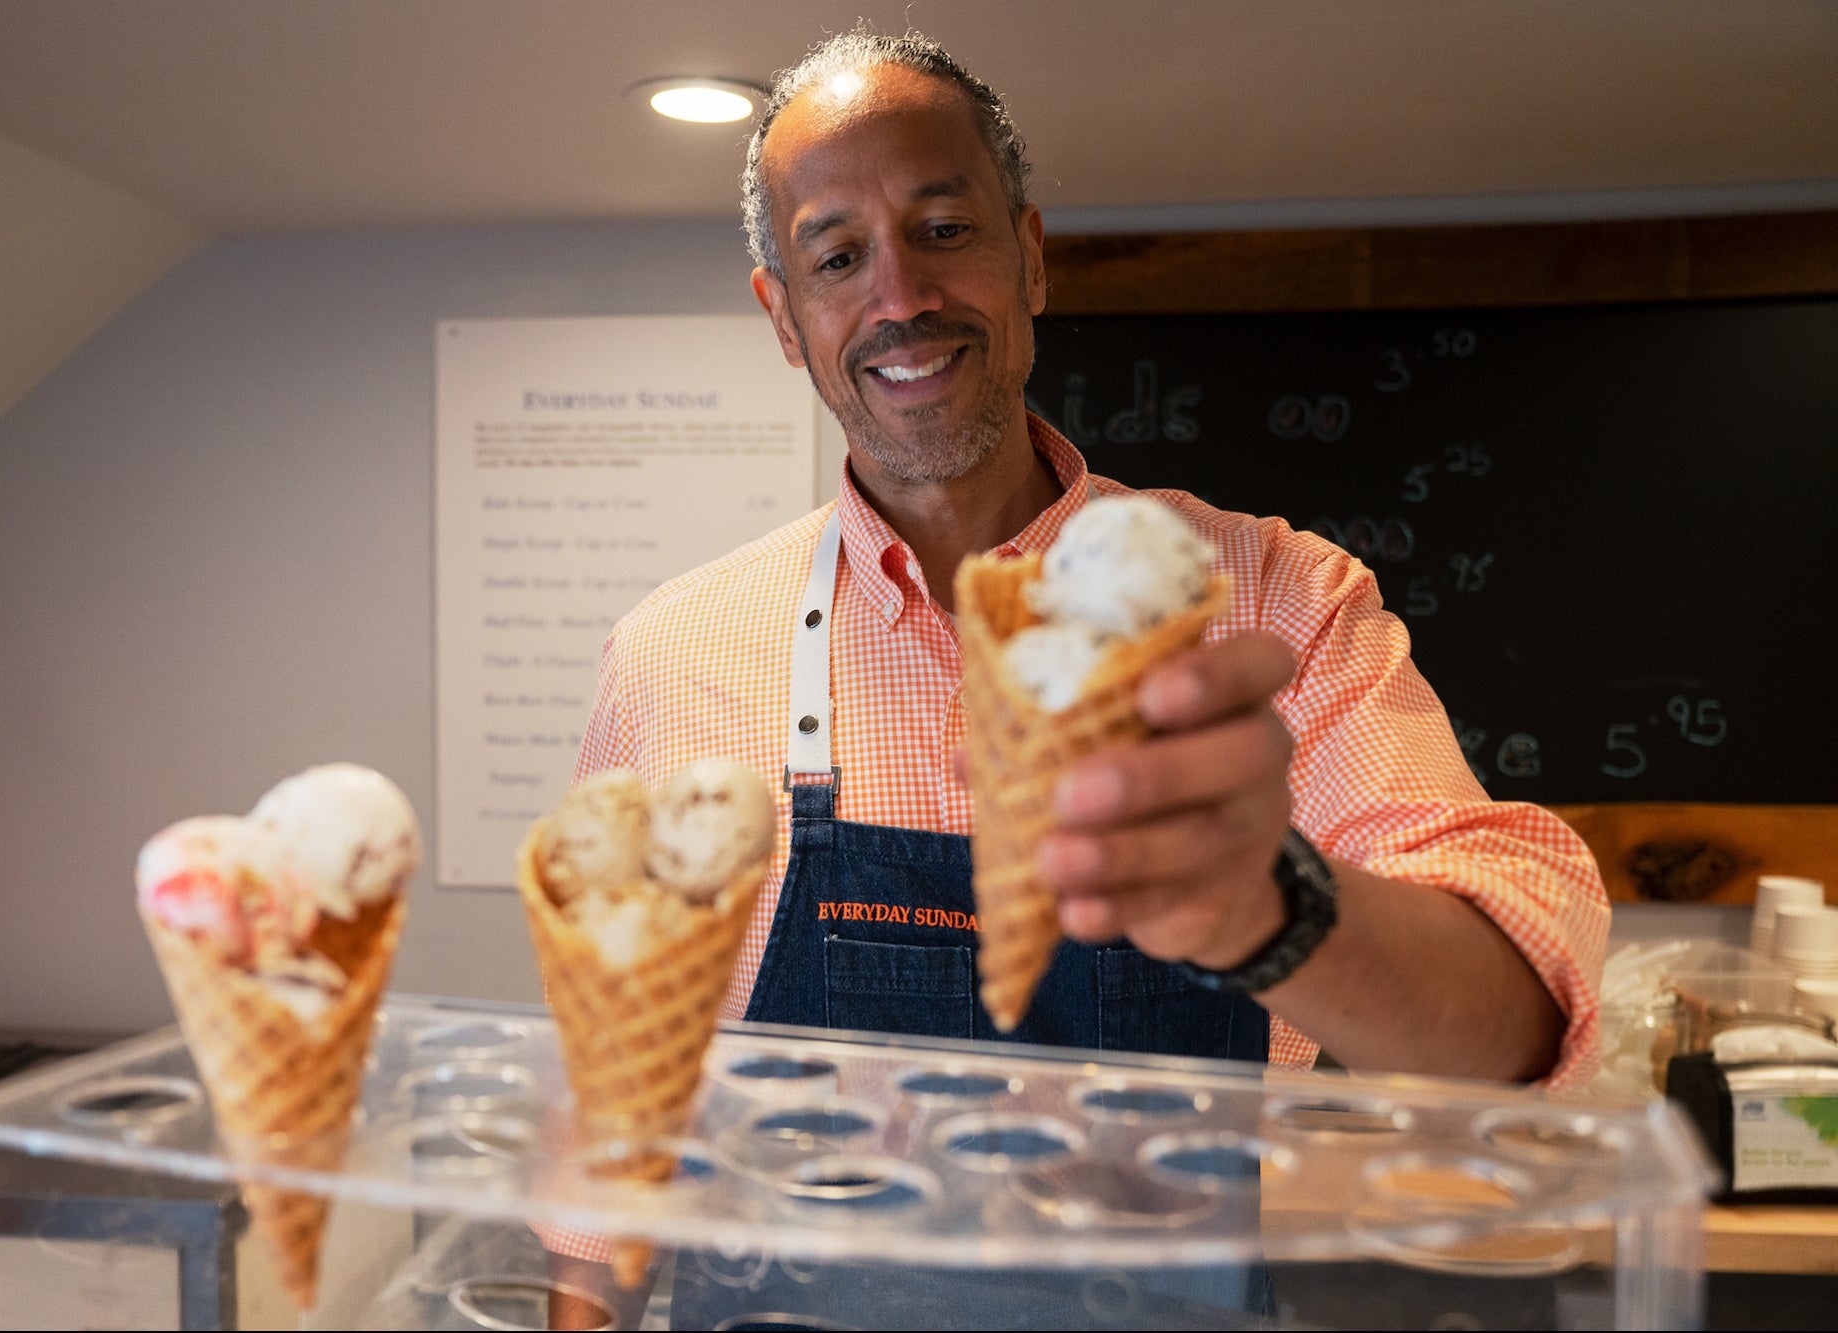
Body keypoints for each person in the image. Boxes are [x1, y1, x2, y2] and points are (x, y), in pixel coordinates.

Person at [546, 28, 1609, 1328]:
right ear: (786, 319)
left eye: (944, 228)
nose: (900, 295)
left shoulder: (1271, 598)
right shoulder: (675, 650)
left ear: (1031, 254)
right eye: (837, 256)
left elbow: (1507, 1039)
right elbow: (612, 1090)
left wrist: (1269, 903)